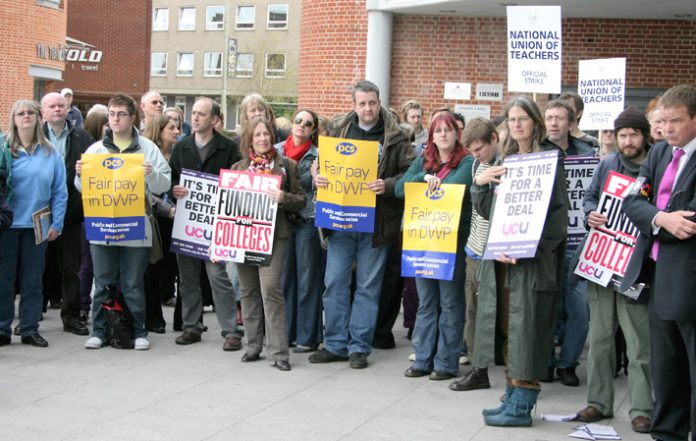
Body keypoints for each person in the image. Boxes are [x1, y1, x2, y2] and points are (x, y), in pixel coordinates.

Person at [470, 96, 569, 426]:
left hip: (531, 262)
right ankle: (511, 395)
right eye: (511, 119)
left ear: (535, 122)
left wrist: (531, 248)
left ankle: (521, 407)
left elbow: (558, 215)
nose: (516, 124)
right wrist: (480, 186)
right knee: (508, 329)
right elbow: (490, 212)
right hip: (501, 258)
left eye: (522, 118)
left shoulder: (550, 158)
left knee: (527, 330)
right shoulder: (507, 159)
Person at [310, 80, 414, 368]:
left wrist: (389, 184)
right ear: (353, 105)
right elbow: (320, 165)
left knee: (368, 287)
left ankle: (358, 347)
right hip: (340, 221)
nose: (368, 108)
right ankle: (334, 344)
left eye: (372, 102)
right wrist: (317, 175)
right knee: (334, 284)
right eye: (362, 103)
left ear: (379, 102)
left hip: (377, 224)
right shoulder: (336, 129)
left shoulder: (396, 136)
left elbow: (411, 172)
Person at [620, 85, 696, 441]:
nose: (666, 128)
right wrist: (661, 219)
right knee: (666, 370)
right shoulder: (660, 153)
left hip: (688, 280)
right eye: (662, 121)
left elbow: (690, 223)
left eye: (675, 120)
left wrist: (659, 221)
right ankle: (667, 434)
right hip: (655, 275)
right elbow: (633, 199)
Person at [573, 107, 653, 433]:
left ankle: (642, 409)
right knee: (600, 339)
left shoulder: (655, 165)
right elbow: (590, 198)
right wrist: (591, 213)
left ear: (644, 135)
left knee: (638, 344)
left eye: (633, 134)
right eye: (622, 134)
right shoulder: (607, 163)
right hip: (602, 261)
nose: (628, 140)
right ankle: (598, 402)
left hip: (636, 265)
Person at [75, 93, 171, 351]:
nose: (115, 119)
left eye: (121, 114)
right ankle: (99, 331)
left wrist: (150, 176)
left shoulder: (147, 148)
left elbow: (165, 183)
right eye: (112, 114)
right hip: (103, 224)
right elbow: (84, 189)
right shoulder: (95, 150)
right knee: (103, 279)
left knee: (132, 282)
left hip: (135, 224)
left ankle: (138, 331)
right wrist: (80, 175)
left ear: (132, 117)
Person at [396, 112, 473, 381]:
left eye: (447, 130)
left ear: (456, 133)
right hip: (423, 241)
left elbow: (456, 187)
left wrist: (431, 182)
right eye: (437, 130)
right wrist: (421, 179)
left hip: (452, 242)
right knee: (426, 303)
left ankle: (447, 362)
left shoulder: (467, 161)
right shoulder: (422, 159)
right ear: (431, 135)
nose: (442, 134)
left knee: (450, 303)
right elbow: (399, 189)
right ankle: (423, 358)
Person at [230, 117, 306, 370]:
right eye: (257, 135)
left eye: (266, 134)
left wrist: (284, 197)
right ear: (249, 139)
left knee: (271, 289)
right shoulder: (238, 168)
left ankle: (279, 352)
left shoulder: (287, 166)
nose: (263, 139)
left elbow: (302, 200)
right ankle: (253, 344)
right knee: (248, 290)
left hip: (275, 236)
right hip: (244, 236)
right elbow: (227, 207)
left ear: (273, 138)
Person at [170, 97, 244, 351]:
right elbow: (171, 179)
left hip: (216, 224)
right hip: (188, 221)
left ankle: (231, 330)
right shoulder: (182, 148)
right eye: (194, 113)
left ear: (214, 120)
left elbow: (238, 182)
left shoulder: (228, 148)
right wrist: (174, 190)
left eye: (201, 114)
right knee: (188, 277)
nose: (195, 117)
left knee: (218, 276)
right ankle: (192, 325)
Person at [0, 99, 68, 348]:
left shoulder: (50, 152)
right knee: (3, 281)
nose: (26, 116)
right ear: (13, 118)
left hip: (38, 226)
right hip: (6, 226)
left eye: (30, 112)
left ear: (39, 118)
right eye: (21, 113)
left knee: (32, 281)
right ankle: (2, 328)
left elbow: (60, 191)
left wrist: (57, 223)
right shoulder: (2, 147)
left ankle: (29, 329)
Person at [542, 99, 595, 387]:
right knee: (549, 306)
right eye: (548, 117)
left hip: (579, 242)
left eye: (559, 118)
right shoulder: (538, 153)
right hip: (549, 243)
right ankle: (547, 361)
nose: (553, 123)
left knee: (579, 309)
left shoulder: (587, 153)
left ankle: (568, 363)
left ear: (570, 122)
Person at [449, 117, 500, 392]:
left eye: (479, 149)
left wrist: (480, 184)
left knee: (497, 314)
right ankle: (478, 368)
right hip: (476, 248)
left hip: (498, 251)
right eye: (471, 151)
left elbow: (489, 209)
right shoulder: (478, 166)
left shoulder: (505, 164)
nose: (475, 155)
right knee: (472, 309)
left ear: (494, 138)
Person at [40, 92, 94, 336]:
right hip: (38, 212)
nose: (57, 109)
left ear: (68, 108)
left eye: (61, 105)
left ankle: (71, 317)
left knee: (70, 268)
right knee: (36, 267)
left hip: (72, 213)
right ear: (43, 111)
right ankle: (32, 316)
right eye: (51, 106)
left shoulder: (83, 138)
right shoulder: (33, 137)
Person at [274, 109, 324, 352]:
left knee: (307, 281)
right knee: (285, 280)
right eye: (298, 121)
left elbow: (321, 191)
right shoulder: (275, 151)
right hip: (280, 221)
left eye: (308, 123)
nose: (302, 126)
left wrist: (317, 176)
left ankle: (308, 336)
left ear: (314, 130)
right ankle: (288, 333)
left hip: (306, 221)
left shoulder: (318, 156)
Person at [142, 114, 181, 333]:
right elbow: (147, 192)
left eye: (177, 127)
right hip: (155, 216)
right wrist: (168, 209)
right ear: (159, 131)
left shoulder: (178, 154)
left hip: (175, 219)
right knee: (152, 269)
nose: (177, 131)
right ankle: (154, 319)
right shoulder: (149, 155)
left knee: (170, 266)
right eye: (172, 128)